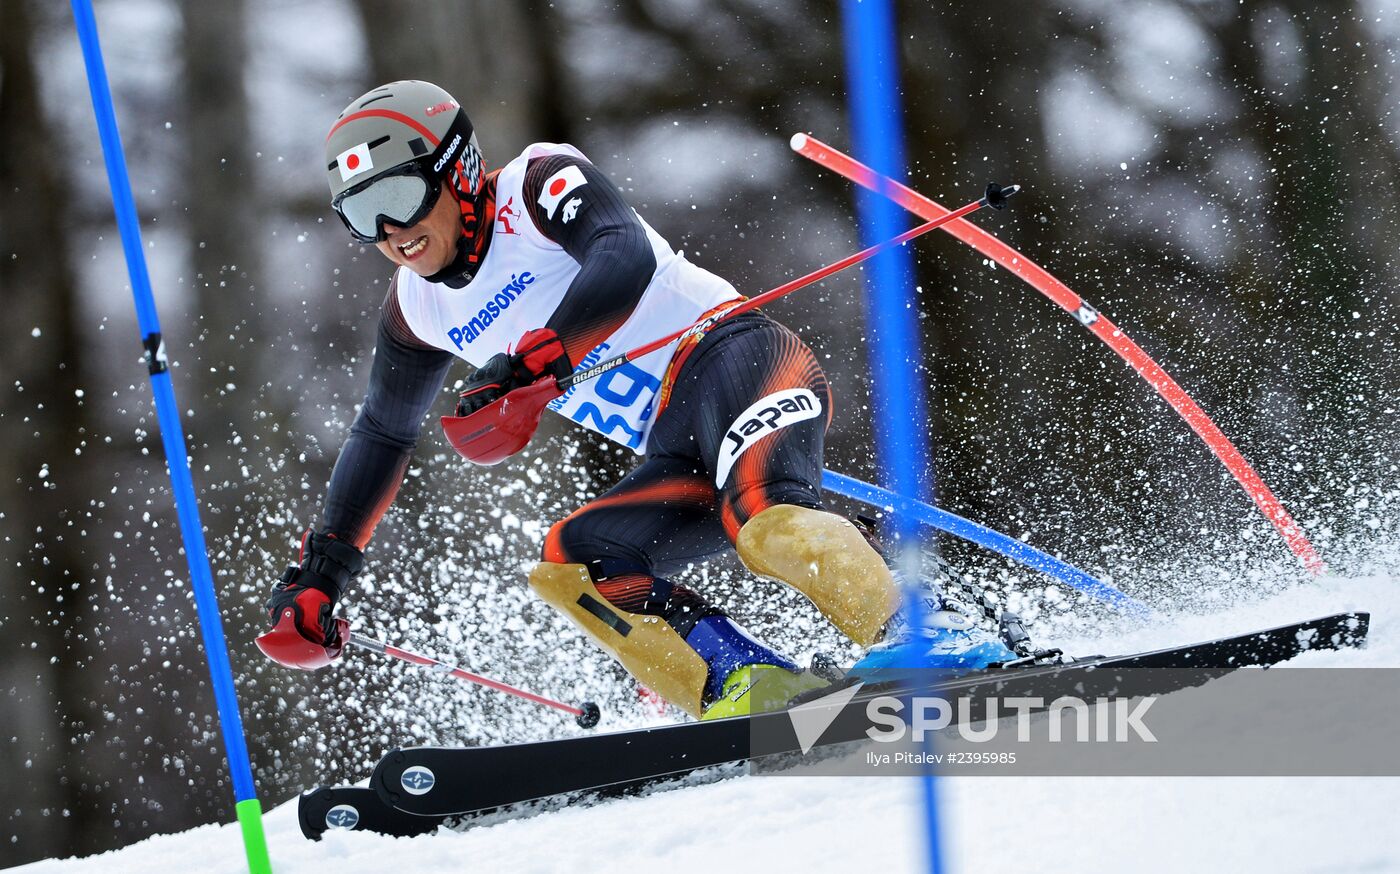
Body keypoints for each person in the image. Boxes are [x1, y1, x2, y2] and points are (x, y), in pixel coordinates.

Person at [262, 80, 1013, 720]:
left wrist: (537, 362)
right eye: (362, 215)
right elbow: (382, 433)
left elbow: (621, 252)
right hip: (673, 443)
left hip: (739, 359)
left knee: (764, 521)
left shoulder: (536, 185)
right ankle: (753, 692)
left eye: (397, 196)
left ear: (456, 170)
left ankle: (932, 633)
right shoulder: (416, 310)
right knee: (572, 563)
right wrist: (321, 578)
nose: (390, 231)